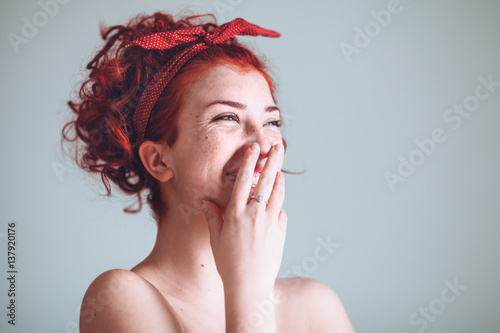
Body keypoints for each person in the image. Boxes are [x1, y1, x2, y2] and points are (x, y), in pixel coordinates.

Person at [62, 11, 355, 332]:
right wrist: (249, 286)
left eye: (272, 122)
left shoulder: (315, 306)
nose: (262, 144)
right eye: (226, 118)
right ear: (159, 160)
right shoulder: (119, 297)